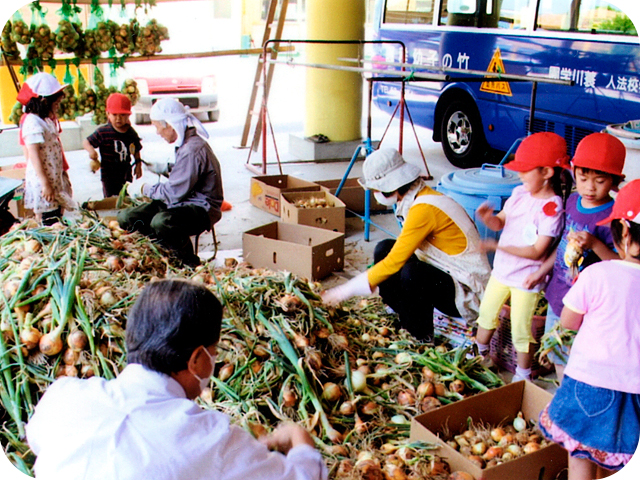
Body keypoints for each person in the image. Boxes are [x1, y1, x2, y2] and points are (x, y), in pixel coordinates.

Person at [25, 279, 328, 480]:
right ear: (197, 359)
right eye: (213, 352)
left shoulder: (62, 396)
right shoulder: (211, 437)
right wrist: (300, 441)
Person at [322, 148, 491, 342]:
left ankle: (418, 338)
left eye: (377, 189)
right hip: (444, 272)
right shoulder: (416, 197)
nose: (376, 194)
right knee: (384, 248)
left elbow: (395, 261)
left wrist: (343, 291)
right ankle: (403, 314)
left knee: (412, 273)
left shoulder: (424, 209)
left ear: (391, 187)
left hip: (467, 290)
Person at [538, 179, 640, 480]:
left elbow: (567, 325)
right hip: (635, 389)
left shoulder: (596, 274)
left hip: (588, 383)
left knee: (581, 456)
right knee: (619, 461)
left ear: (621, 231)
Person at [526, 132, 624, 381]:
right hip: (559, 291)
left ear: (613, 181)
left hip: (586, 303)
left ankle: (567, 394)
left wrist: (594, 243)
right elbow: (560, 245)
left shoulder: (614, 215)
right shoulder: (571, 201)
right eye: (583, 178)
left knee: (577, 357)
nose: (590, 188)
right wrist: (541, 271)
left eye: (600, 181)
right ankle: (561, 389)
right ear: (574, 173)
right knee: (556, 350)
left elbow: (619, 264)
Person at [474, 132, 568, 382]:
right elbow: (499, 223)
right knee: (487, 313)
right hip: (502, 271)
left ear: (547, 172)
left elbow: (538, 250)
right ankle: (479, 356)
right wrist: (488, 218)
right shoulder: (518, 193)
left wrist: (498, 247)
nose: (520, 174)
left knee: (521, 330)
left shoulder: (553, 207)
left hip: (527, 279)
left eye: (526, 170)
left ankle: (523, 376)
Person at [117, 98, 223, 267]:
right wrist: (165, 168)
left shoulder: (192, 150)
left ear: (169, 124)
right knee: (127, 217)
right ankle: (161, 252)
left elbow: (173, 192)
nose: (157, 132)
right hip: (182, 202)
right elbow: (187, 173)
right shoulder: (188, 145)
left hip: (201, 208)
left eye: (157, 126)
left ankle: (189, 264)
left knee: (162, 222)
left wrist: (144, 189)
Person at [17, 72, 74, 225]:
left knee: (56, 218)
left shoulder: (46, 120)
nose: (58, 106)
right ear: (44, 101)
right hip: (43, 183)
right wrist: (45, 184)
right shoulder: (32, 122)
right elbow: (33, 156)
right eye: (56, 103)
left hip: (53, 179)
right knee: (47, 221)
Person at [83, 93, 143, 198]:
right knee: (111, 200)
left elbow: (136, 149)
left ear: (129, 115)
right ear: (108, 114)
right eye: (114, 115)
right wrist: (91, 151)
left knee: (125, 199)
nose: (118, 118)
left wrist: (138, 164)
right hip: (108, 176)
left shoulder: (131, 132)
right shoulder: (103, 132)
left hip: (126, 175)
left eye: (122, 115)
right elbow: (86, 142)